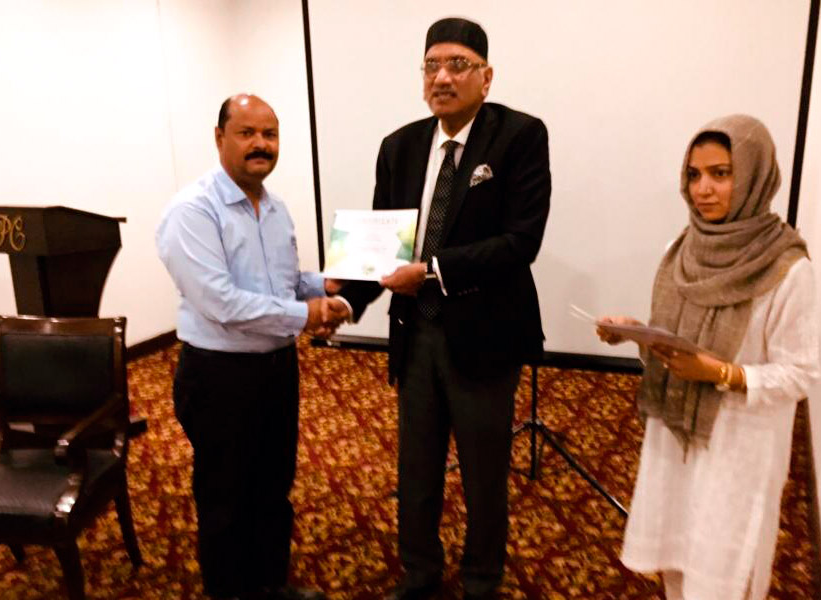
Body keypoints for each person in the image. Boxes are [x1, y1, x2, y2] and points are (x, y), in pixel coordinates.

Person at [338, 17, 551, 600]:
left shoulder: (519, 136)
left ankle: (481, 579)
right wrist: (343, 298)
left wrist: (432, 270)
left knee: (484, 472)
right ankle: (419, 570)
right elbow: (384, 245)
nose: (442, 77)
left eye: (458, 65)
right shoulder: (399, 146)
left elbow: (521, 242)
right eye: (431, 65)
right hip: (415, 334)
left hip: (484, 334)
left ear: (487, 76)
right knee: (417, 466)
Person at [596, 114, 818, 600]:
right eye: (694, 175)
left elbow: (802, 373)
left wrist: (720, 373)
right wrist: (637, 334)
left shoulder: (787, 267)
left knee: (721, 571)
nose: (703, 189)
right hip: (675, 432)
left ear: (756, 175)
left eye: (721, 173)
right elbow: (679, 342)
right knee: (676, 559)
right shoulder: (683, 249)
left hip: (738, 444)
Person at [156, 94, 348, 600]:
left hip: (277, 369)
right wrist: (307, 315)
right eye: (247, 133)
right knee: (225, 496)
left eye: (270, 134)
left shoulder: (276, 209)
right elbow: (221, 303)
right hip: (220, 376)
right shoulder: (193, 211)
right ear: (220, 138)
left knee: (273, 485)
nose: (261, 144)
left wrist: (325, 285)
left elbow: (283, 283)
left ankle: (270, 585)